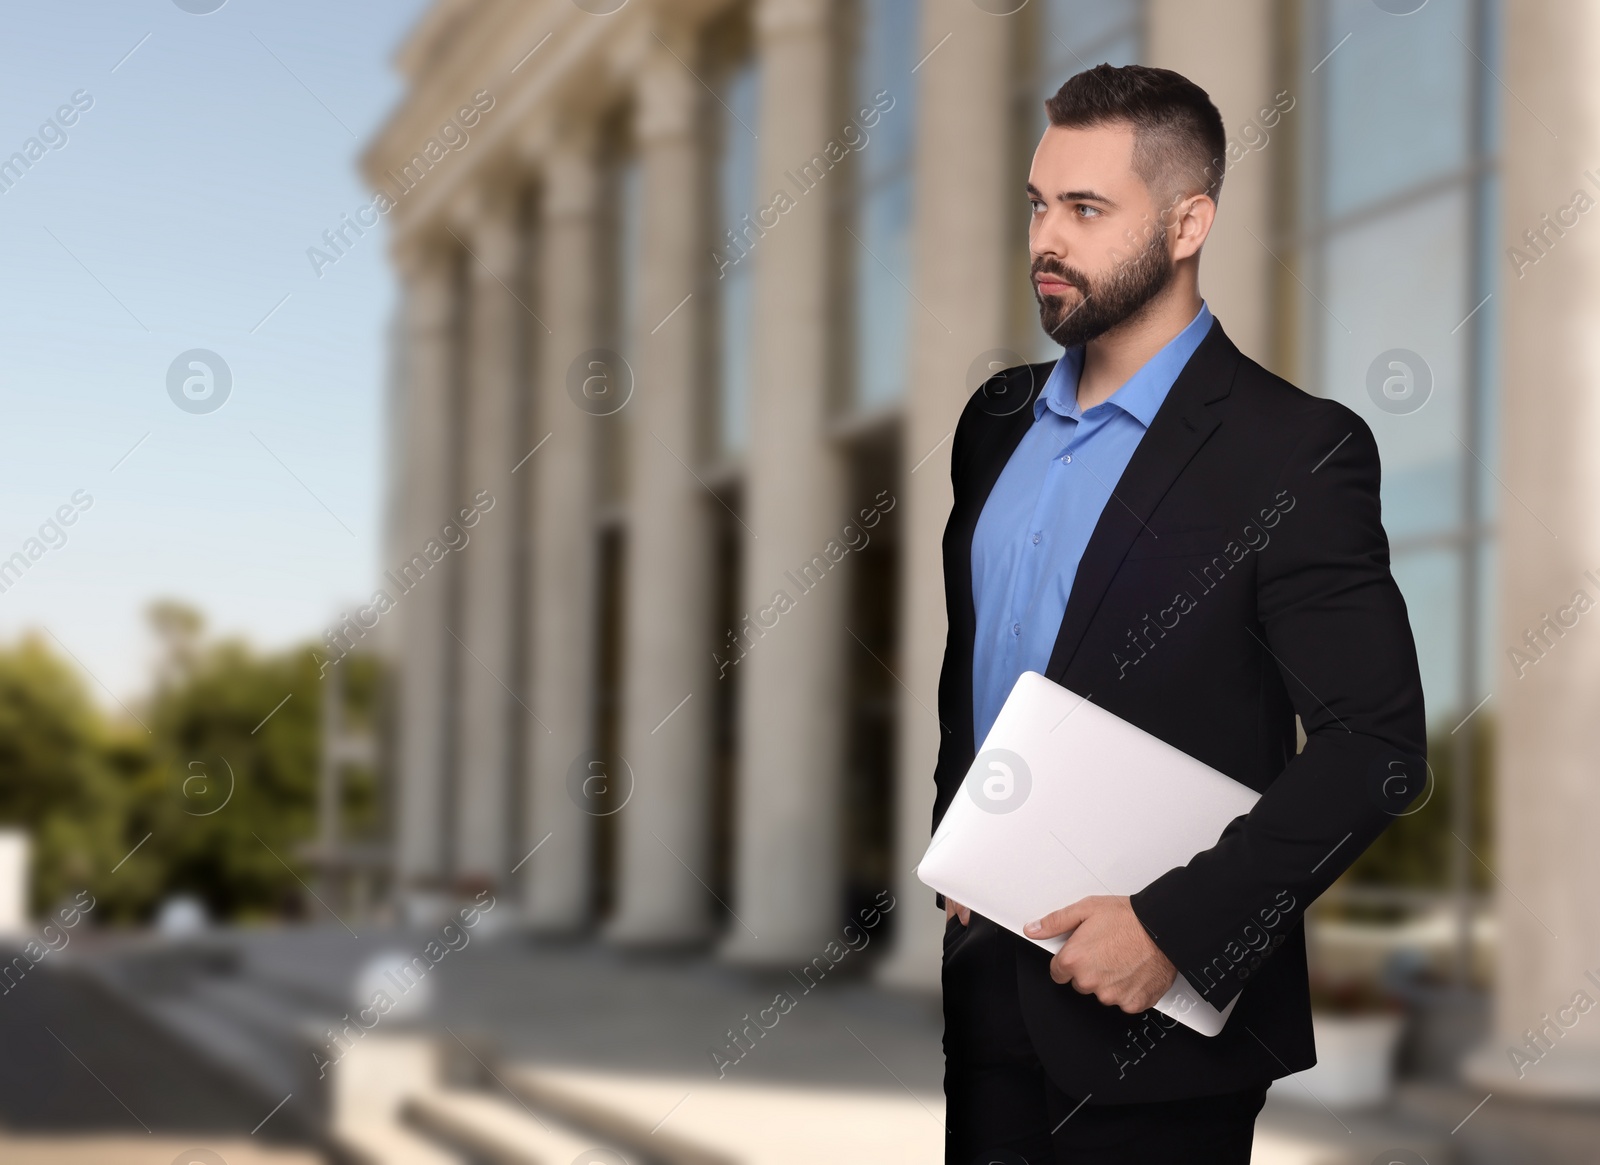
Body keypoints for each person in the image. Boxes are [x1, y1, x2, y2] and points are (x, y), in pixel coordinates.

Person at [935, 63, 1426, 1164]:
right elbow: (973, 660)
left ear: (1189, 221)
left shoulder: (1298, 451)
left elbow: (1374, 748)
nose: (1044, 240)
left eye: (1086, 209)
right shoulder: (993, 422)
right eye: (1037, 203)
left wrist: (1173, 928)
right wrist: (956, 849)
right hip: (986, 1007)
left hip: (1158, 1038)